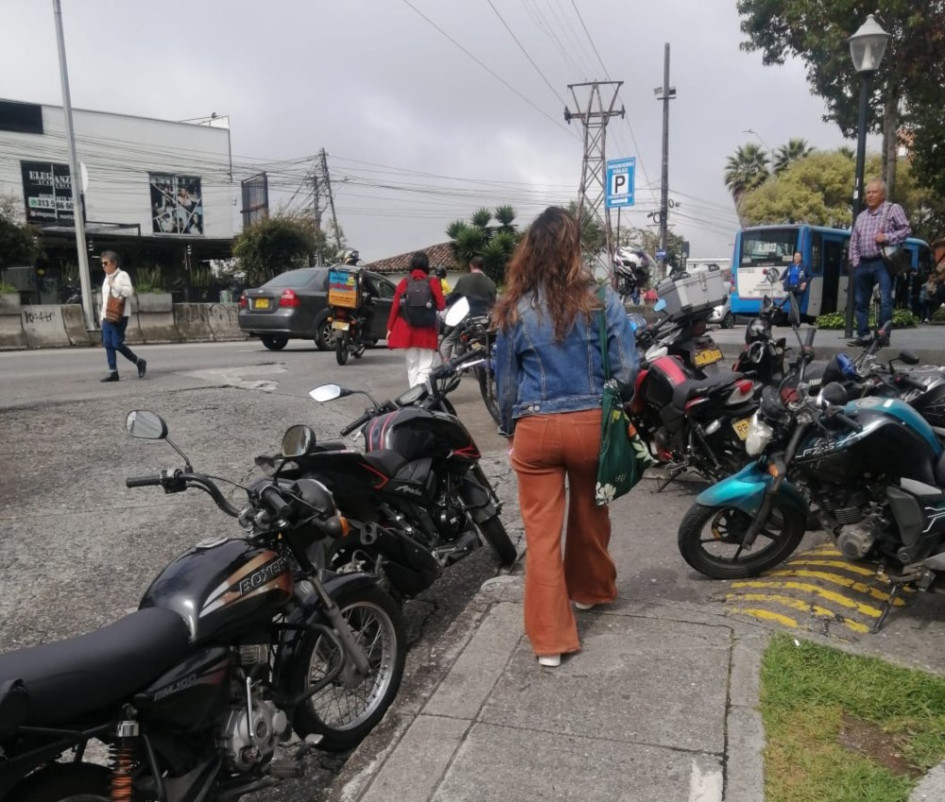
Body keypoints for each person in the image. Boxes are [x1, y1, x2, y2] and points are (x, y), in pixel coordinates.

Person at [493, 206, 638, 669]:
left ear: (529, 252)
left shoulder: (514, 308)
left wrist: (510, 428)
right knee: (591, 514)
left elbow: (506, 386)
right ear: (574, 250)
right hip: (590, 424)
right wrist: (613, 403)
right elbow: (626, 369)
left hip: (536, 428)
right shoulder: (602, 300)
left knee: (540, 537)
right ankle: (591, 592)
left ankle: (551, 642)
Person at [849, 178, 912, 345]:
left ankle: (883, 335)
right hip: (863, 263)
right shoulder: (861, 216)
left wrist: (887, 237)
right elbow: (854, 241)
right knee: (860, 302)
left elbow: (906, 229)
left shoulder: (892, 209)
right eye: (868, 192)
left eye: (874, 192)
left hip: (883, 263)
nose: (870, 195)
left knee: (885, 301)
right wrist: (855, 261)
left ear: (882, 194)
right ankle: (863, 335)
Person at [387, 251, 446, 387]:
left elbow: (395, 307)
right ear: (427, 265)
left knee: (412, 366)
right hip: (427, 330)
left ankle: (413, 397)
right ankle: (421, 395)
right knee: (425, 366)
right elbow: (442, 305)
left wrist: (390, 328)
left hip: (409, 330)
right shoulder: (433, 282)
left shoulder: (404, 282)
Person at [99, 251, 146, 382]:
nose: (103, 265)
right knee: (107, 343)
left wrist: (114, 285)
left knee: (117, 344)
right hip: (107, 316)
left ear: (114, 263)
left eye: (105, 263)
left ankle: (139, 361)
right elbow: (105, 300)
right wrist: (102, 316)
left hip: (119, 316)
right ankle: (113, 372)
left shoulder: (122, 275)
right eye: (102, 263)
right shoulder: (106, 277)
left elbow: (129, 291)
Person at [440, 255, 498, 358]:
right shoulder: (491, 283)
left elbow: (454, 296)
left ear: (471, 266)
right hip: (485, 319)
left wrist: (444, 303)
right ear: (482, 267)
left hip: (467, 318)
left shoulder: (464, 280)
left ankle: (446, 364)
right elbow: (494, 302)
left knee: (448, 340)